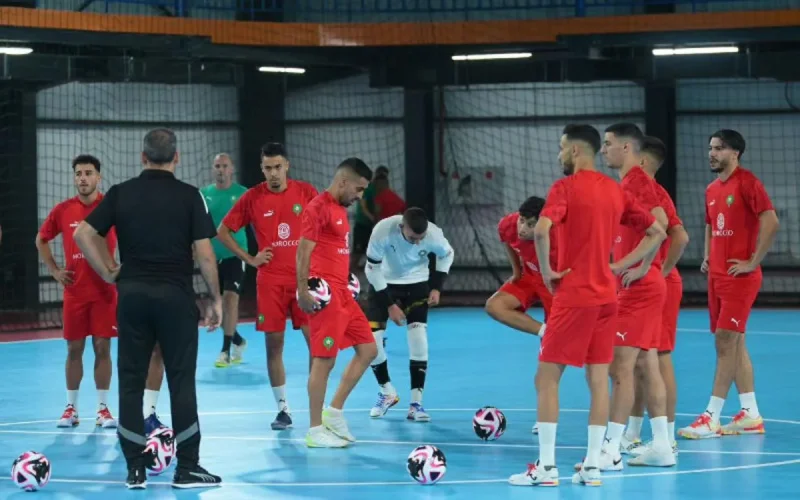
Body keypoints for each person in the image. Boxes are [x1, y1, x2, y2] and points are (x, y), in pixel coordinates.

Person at [508, 124, 666, 487]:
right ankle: (593, 466)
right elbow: (656, 231)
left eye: (562, 148)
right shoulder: (615, 190)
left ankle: (546, 468)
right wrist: (623, 266)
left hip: (574, 297)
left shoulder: (564, 188)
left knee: (546, 377)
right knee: (598, 380)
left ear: (576, 151)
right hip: (608, 298)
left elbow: (544, 228)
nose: (559, 154)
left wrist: (547, 271)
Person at [74, 128, 222, 489]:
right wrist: (215, 298)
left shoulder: (121, 193)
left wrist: (110, 271)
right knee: (181, 381)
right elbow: (204, 253)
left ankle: (135, 469)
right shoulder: (191, 196)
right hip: (175, 299)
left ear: (142, 157)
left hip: (133, 298)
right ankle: (187, 467)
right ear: (178, 157)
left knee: (130, 381)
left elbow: (83, 234)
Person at [678, 129, 779, 439]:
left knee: (724, 343)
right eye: (710, 147)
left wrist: (753, 261)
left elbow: (771, 220)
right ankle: (750, 414)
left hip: (740, 277)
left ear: (735, 153)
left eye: (719, 148)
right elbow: (710, 224)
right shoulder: (711, 189)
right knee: (736, 344)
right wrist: (708, 255)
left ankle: (711, 416)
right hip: (718, 276)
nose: (712, 153)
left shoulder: (748, 183)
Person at [218, 142, 318, 430]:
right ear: (262, 169)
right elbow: (223, 231)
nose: (273, 173)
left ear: (287, 165)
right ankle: (283, 409)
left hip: (304, 282)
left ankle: (316, 404)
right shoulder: (252, 198)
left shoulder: (306, 192)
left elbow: (322, 227)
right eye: (267, 168)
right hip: (270, 283)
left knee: (317, 346)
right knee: (274, 346)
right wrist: (250, 258)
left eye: (277, 167)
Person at [296, 157, 377, 448]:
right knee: (324, 360)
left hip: (344, 293)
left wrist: (348, 276)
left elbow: (334, 251)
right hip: (326, 295)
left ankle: (334, 412)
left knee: (368, 349)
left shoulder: (340, 210)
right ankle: (315, 429)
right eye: (358, 188)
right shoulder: (317, 208)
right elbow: (303, 251)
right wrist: (303, 290)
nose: (360, 195)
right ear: (343, 181)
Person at [36, 154, 119, 429]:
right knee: (74, 349)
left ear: (99, 177)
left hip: (105, 292)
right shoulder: (63, 210)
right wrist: (54, 270)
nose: (82, 178)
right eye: (78, 173)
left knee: (102, 347)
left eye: (88, 173)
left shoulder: (111, 207)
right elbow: (41, 239)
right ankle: (71, 409)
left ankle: (103, 410)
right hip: (75, 293)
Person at [621, 136, 689, 456]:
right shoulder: (653, 190)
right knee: (639, 360)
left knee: (656, 359)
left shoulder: (643, 185)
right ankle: (633, 433)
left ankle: (666, 438)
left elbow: (677, 236)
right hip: (655, 279)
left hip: (656, 281)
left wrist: (658, 270)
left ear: (642, 160)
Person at [363, 207, 454, 421]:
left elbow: (447, 254)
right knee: (371, 343)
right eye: (413, 238)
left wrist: (436, 287)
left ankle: (416, 405)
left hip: (417, 285)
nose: (418, 243)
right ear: (402, 227)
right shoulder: (382, 231)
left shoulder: (433, 234)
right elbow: (371, 269)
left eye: (421, 238)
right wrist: (389, 305)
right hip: (383, 283)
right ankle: (387, 392)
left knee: (418, 339)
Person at [485, 195, 553, 436]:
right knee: (494, 306)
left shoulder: (556, 238)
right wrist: (516, 270)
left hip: (552, 285)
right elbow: (508, 241)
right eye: (522, 221)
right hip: (528, 279)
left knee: (550, 361)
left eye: (530, 224)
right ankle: (545, 330)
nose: (523, 228)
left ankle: (544, 416)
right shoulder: (509, 224)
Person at [200, 152, 248, 368]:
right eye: (217, 166)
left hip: (236, 255)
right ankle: (238, 340)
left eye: (224, 166)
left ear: (232, 169)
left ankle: (225, 351)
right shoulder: (204, 195)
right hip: (212, 258)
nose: (220, 170)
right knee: (216, 305)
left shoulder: (243, 194)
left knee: (230, 299)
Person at [351, 165, 389, 270]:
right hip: (362, 224)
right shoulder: (367, 188)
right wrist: (373, 218)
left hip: (371, 225)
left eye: (384, 177)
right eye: (380, 176)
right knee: (357, 253)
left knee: (372, 252)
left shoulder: (381, 190)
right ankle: (348, 277)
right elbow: (363, 207)